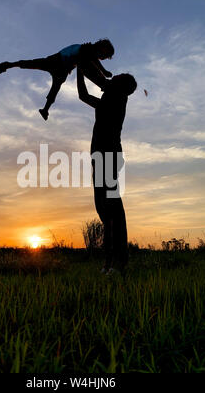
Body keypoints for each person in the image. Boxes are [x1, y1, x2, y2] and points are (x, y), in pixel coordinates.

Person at [77, 67, 137, 275]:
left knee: (111, 210)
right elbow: (83, 95)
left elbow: (100, 79)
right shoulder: (107, 100)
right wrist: (78, 69)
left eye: (118, 77)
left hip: (108, 157)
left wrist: (81, 64)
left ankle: (118, 263)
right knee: (103, 210)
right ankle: (110, 261)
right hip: (100, 158)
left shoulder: (118, 96)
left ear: (121, 85)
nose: (113, 77)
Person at [0, 39, 114, 121]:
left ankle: (45, 110)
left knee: (55, 88)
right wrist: (103, 72)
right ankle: (8, 65)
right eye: (104, 55)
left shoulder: (89, 52)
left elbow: (93, 62)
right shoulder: (88, 49)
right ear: (102, 48)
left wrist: (103, 72)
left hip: (63, 69)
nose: (102, 58)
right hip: (57, 61)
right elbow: (93, 62)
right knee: (33, 63)